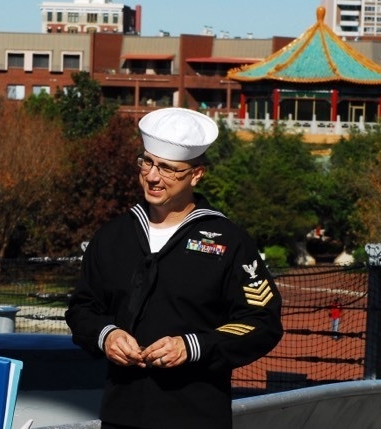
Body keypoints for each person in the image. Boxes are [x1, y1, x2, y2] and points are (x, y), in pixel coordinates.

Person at [65, 107, 283, 429]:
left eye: (168, 168)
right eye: (147, 162)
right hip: (120, 416)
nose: (153, 176)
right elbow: (82, 309)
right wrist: (105, 335)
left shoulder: (229, 241)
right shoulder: (113, 236)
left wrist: (193, 346)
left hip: (195, 417)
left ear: (196, 174)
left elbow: (261, 321)